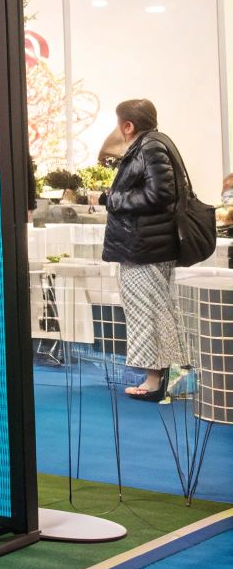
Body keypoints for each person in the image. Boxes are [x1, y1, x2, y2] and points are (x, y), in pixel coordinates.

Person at [101, 98, 192, 401]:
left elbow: (159, 193)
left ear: (128, 126)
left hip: (144, 247)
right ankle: (168, 378)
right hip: (148, 245)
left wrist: (113, 200)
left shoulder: (149, 147)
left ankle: (155, 382)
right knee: (158, 310)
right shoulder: (155, 144)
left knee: (148, 312)